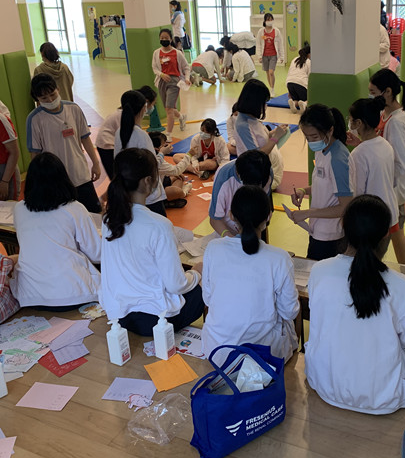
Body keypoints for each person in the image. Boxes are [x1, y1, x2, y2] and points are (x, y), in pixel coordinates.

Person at [306, 195, 405, 415]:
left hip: (325, 386)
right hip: (384, 398)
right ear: (386, 235)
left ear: (343, 226)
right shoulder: (400, 285)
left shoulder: (319, 271)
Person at [99, 147, 203, 335]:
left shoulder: (109, 219)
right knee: (203, 283)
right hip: (155, 322)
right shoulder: (159, 225)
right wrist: (196, 273)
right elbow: (176, 285)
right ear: (148, 181)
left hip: (118, 317)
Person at [202, 185, 300, 362]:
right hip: (263, 357)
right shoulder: (279, 258)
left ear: (231, 215)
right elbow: (289, 312)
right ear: (268, 217)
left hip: (216, 352)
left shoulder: (213, 248)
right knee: (289, 323)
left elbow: (208, 299)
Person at [12, 153, 101, 310]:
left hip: (30, 296)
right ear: (63, 179)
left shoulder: (19, 209)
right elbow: (96, 254)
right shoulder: (74, 208)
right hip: (72, 293)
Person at [26, 74, 102, 213]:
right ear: (37, 99)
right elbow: (35, 154)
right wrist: (38, 180)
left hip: (80, 174)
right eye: (44, 98)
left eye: (52, 94)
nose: (50, 100)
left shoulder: (73, 109)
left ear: (58, 89)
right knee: (65, 216)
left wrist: (96, 163)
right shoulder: (34, 119)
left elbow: (85, 138)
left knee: (94, 213)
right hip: (55, 180)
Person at [289, 105, 352, 260]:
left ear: (330, 131)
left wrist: (308, 212)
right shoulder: (322, 149)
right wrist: (304, 191)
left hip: (331, 236)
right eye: (307, 137)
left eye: (314, 137)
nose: (311, 142)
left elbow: (345, 206)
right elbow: (326, 185)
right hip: (317, 230)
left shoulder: (337, 160)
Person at [367, 69, 405, 265]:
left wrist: (385, 182)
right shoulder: (384, 114)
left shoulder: (396, 122)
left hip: (392, 190)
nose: (370, 96)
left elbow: (402, 162)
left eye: (373, 92)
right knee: (396, 233)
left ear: (387, 92)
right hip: (387, 187)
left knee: (393, 233)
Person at [347, 97, 399, 236]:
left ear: (359, 123)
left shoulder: (358, 154)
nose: (349, 124)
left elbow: (358, 193)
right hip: (390, 211)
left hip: (372, 218)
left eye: (351, 120)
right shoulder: (385, 145)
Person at [113, 90, 167, 216]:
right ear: (144, 108)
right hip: (147, 194)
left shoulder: (119, 132)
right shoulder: (141, 135)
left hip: (129, 191)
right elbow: (152, 165)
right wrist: (162, 153)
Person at [209, 150, 272, 237]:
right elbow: (214, 219)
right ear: (238, 174)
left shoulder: (265, 173)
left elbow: (263, 211)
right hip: (227, 231)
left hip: (255, 230)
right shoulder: (224, 176)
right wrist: (231, 239)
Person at [234, 79, 289, 158]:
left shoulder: (252, 117)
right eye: (263, 102)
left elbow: (260, 138)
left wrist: (275, 132)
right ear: (254, 103)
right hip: (255, 164)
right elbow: (256, 156)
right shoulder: (243, 125)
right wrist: (275, 137)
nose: (265, 106)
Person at [152, 28, 190, 135]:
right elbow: (154, 68)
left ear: (170, 39)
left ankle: (168, 134)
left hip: (174, 82)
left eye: (166, 38)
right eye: (162, 38)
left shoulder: (177, 53)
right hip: (162, 81)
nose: (164, 40)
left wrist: (187, 79)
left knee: (169, 109)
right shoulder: (156, 53)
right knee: (168, 108)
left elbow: (186, 67)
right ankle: (181, 117)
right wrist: (161, 74)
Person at [148, 131, 192, 209]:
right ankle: (184, 192)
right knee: (176, 190)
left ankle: (172, 198)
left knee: (179, 177)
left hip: (160, 182)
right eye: (164, 145)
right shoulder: (156, 159)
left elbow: (172, 171)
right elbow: (176, 170)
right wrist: (189, 155)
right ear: (157, 148)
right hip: (153, 193)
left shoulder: (154, 155)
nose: (168, 146)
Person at [256, 13, 284, 92]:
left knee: (271, 72)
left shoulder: (276, 31)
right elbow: (258, 44)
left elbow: (280, 44)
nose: (270, 21)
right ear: (265, 21)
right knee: (267, 73)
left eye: (271, 19)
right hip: (264, 55)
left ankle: (272, 88)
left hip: (273, 55)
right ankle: (271, 88)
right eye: (268, 19)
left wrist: (282, 56)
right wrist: (259, 56)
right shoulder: (261, 31)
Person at [286, 42, 311, 114]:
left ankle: (294, 103)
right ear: (308, 54)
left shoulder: (294, 59)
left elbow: (289, 73)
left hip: (290, 83)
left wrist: (289, 91)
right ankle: (304, 104)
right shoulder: (309, 61)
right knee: (309, 98)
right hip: (301, 84)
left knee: (296, 99)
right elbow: (310, 76)